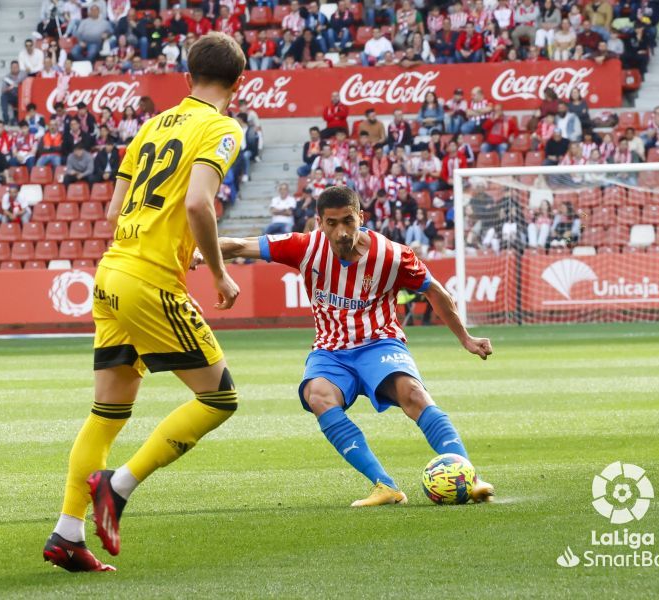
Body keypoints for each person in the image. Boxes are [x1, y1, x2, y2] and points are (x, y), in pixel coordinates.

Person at [43, 31, 245, 573]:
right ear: (239, 82)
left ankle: (67, 533)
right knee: (219, 398)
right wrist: (220, 274)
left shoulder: (151, 126)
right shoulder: (222, 127)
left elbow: (113, 212)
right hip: (150, 282)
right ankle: (119, 486)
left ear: (188, 77)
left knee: (106, 414)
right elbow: (199, 204)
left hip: (111, 272)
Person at [216, 186, 495, 506]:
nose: (341, 232)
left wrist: (465, 338)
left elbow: (435, 291)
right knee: (318, 396)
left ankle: (469, 477)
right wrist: (197, 252)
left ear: (361, 217)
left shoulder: (393, 255)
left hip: (380, 342)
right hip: (331, 350)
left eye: (348, 221)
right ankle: (385, 486)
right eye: (332, 223)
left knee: (413, 394)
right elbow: (239, 245)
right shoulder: (304, 247)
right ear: (319, 222)